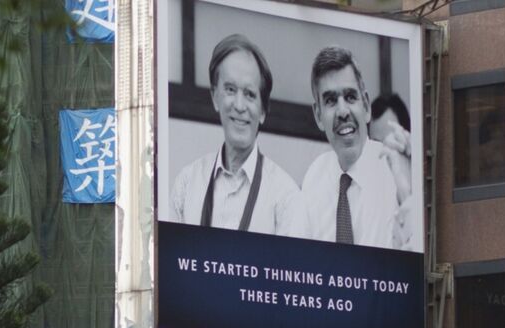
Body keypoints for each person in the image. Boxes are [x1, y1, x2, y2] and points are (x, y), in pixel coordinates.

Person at [171, 34, 308, 236]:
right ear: (215, 97)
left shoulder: (286, 197)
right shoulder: (186, 184)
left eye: (250, 94)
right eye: (230, 89)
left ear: (263, 111)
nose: (239, 105)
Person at [301, 47, 414, 251]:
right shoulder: (314, 177)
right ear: (318, 115)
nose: (342, 111)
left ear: (366, 106)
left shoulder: (393, 168)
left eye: (350, 97)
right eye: (331, 101)